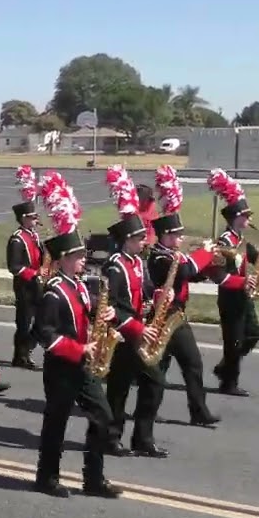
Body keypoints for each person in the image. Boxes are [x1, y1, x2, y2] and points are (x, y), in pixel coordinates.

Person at [30, 172, 122, 499]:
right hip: (62, 367)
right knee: (56, 423)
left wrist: (104, 313)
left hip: (83, 364)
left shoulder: (79, 285)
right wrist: (80, 348)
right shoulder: (53, 292)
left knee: (104, 417)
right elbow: (45, 335)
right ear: (66, 259)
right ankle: (47, 477)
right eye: (80, 256)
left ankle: (92, 478)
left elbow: (86, 309)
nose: (85, 260)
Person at [147, 166, 222, 425]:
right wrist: (205, 253)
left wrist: (211, 267)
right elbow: (186, 268)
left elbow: (191, 274)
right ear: (166, 236)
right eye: (177, 234)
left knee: (160, 369)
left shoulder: (171, 254)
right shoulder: (159, 257)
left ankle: (150, 411)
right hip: (167, 316)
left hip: (175, 315)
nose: (181, 237)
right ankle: (196, 412)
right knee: (190, 363)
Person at [102, 167, 165, 458]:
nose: (145, 242)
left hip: (140, 333)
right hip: (124, 336)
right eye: (141, 239)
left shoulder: (138, 263)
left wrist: (160, 295)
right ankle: (110, 438)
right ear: (128, 240)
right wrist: (137, 328)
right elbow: (110, 306)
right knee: (118, 390)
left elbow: (148, 289)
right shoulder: (114, 266)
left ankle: (143, 438)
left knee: (155, 383)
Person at [206, 169, 259, 397]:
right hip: (230, 296)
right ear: (236, 217)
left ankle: (224, 368)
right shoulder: (224, 241)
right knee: (234, 340)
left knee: (253, 334)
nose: (249, 220)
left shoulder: (239, 239)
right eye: (246, 216)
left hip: (244, 294)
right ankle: (228, 382)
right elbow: (218, 274)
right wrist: (242, 281)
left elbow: (250, 255)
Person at [6, 166, 44, 369]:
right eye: (32, 217)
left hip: (37, 284)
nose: (36, 220)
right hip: (25, 286)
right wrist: (35, 274)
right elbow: (14, 266)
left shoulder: (34, 236)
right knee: (24, 322)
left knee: (41, 320)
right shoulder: (17, 239)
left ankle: (26, 348)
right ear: (23, 219)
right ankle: (20, 356)